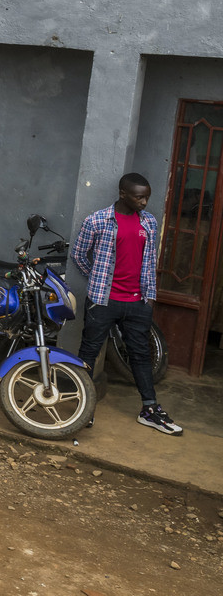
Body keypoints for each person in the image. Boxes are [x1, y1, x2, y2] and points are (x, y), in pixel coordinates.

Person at [71, 173, 181, 434]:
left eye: (147, 197)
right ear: (123, 194)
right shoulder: (97, 220)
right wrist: (98, 280)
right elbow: (78, 254)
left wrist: (149, 297)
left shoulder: (149, 222)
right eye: (139, 197)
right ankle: (81, 407)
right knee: (89, 352)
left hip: (137, 302)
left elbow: (149, 261)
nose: (144, 202)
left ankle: (150, 410)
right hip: (103, 301)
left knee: (141, 354)